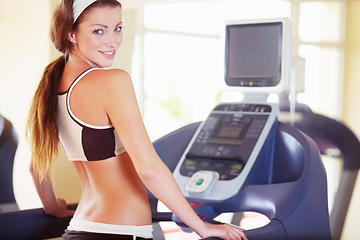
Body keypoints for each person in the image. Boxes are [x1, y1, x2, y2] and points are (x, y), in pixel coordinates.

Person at [26, 0, 247, 239]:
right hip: (121, 232)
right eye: (99, 30)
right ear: (71, 33)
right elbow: (149, 169)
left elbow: (36, 166)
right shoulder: (112, 81)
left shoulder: (54, 85)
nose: (112, 41)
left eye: (118, 28)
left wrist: (53, 207)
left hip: (80, 227)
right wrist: (201, 227)